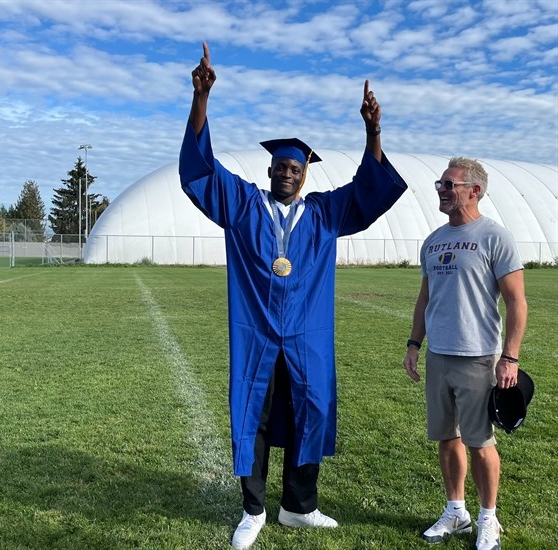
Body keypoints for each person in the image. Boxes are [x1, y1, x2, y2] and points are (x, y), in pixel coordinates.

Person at [180, 42, 407, 550]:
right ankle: (254, 509)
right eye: (281, 167)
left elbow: (369, 191)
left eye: (296, 169)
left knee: (312, 407)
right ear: (269, 172)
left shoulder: (324, 214)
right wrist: (201, 100)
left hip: (307, 333)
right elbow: (198, 173)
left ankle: (299, 507)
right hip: (256, 328)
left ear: (305, 176)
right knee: (253, 413)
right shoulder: (241, 204)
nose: (287, 172)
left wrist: (372, 130)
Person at [403, 157, 527, 550]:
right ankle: (456, 512)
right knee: (446, 438)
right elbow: (425, 298)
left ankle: (489, 519)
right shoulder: (434, 240)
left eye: (449, 184)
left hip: (478, 357)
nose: (441, 189)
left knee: (480, 441)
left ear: (474, 190)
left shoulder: (495, 236)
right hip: (439, 355)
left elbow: (517, 302)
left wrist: (510, 357)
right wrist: (413, 344)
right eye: (440, 183)